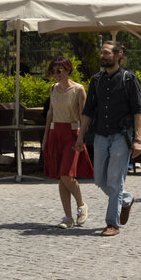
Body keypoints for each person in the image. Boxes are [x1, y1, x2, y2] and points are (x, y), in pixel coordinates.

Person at [74, 40, 141, 237]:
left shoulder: (129, 79)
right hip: (100, 135)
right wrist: (81, 137)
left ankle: (112, 223)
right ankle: (126, 199)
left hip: (122, 136)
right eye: (102, 53)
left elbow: (138, 111)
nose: (102, 56)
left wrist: (137, 140)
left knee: (114, 181)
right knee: (99, 179)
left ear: (118, 55)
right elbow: (88, 111)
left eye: (106, 53)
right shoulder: (96, 80)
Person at [41, 56, 92, 228]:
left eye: (59, 71)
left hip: (71, 133)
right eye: (53, 71)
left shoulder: (79, 89)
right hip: (56, 133)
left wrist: (81, 137)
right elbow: (50, 113)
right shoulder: (53, 88)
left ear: (68, 70)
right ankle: (68, 217)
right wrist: (45, 137)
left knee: (66, 175)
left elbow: (84, 115)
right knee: (60, 178)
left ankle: (81, 205)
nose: (56, 74)